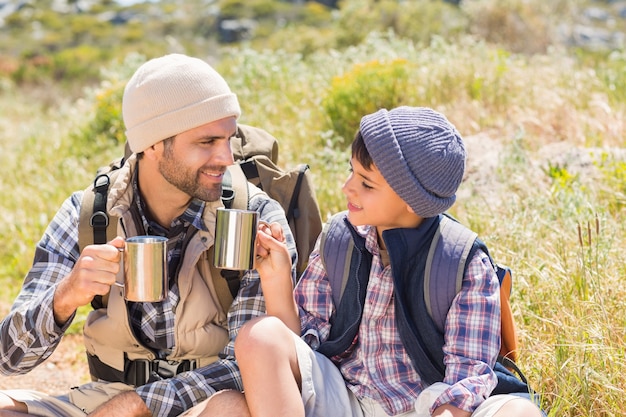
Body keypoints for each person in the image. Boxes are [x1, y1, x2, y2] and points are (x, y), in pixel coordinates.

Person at [0, 53, 296, 417]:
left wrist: (140, 404)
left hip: (204, 403)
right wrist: (65, 296)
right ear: (153, 144)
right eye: (207, 142)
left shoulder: (254, 217)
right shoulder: (89, 214)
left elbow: (259, 367)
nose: (226, 158)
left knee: (233, 411)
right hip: (105, 397)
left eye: (228, 139)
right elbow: (8, 358)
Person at [230, 106, 544, 417]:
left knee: (519, 412)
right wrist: (276, 280)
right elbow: (302, 352)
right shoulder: (338, 238)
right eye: (351, 170)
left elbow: (466, 379)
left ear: (412, 200)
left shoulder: (463, 261)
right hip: (347, 396)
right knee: (259, 335)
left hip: (432, 404)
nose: (347, 186)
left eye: (366, 183)